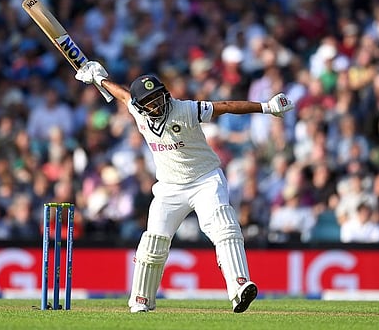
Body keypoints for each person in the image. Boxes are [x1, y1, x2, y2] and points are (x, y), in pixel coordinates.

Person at [75, 60, 294, 313]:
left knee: (225, 227)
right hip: (169, 187)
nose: (157, 104)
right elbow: (123, 94)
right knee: (153, 242)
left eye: (159, 97)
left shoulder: (186, 109)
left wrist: (266, 107)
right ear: (140, 106)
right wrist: (98, 80)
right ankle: (141, 300)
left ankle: (240, 286)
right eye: (150, 101)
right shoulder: (136, 111)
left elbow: (225, 106)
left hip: (205, 179)